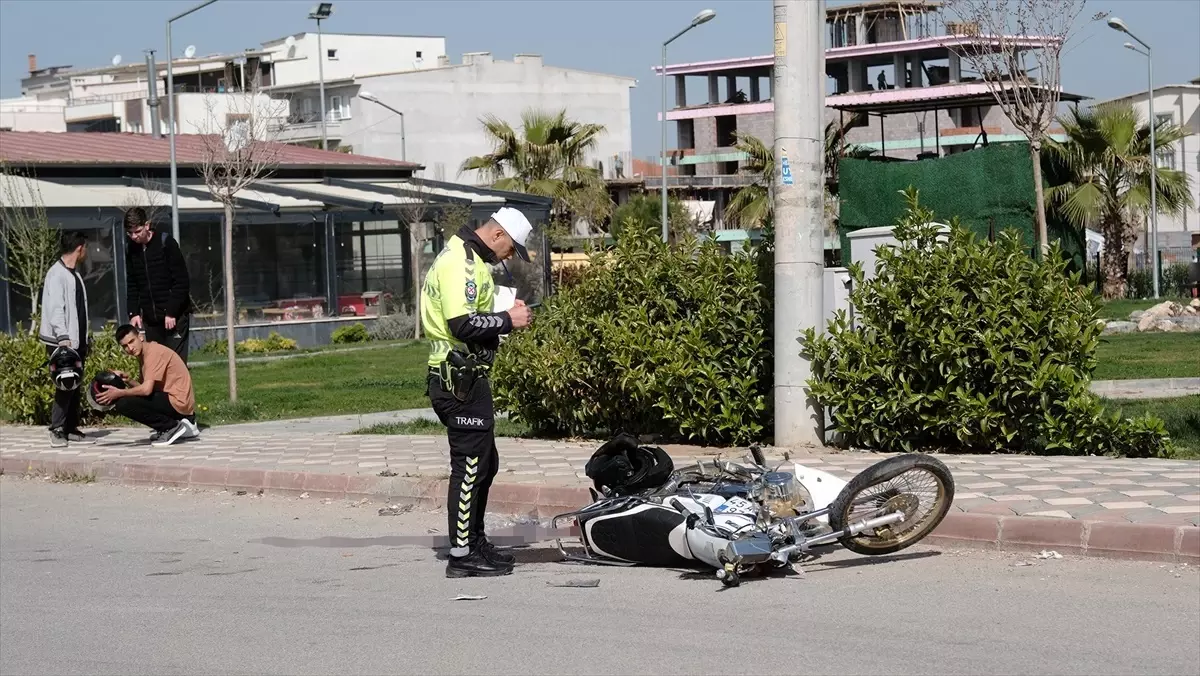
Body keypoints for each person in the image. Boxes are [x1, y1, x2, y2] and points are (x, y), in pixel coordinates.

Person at [422, 207, 535, 578]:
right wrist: (507, 320)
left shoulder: (467, 257)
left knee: (485, 463)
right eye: (510, 250)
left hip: (466, 377)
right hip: (457, 380)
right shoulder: (463, 263)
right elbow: (461, 323)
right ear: (499, 235)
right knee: (470, 467)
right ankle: (461, 554)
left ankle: (475, 542)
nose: (508, 259)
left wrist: (503, 310)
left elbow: (473, 312)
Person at [95, 324, 200, 447]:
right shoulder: (145, 354)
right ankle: (176, 425)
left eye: (131, 341)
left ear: (140, 337)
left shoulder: (153, 353)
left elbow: (146, 391)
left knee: (123, 403)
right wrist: (128, 380)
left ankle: (171, 427)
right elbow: (145, 388)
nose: (130, 348)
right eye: (125, 346)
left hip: (178, 402)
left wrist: (119, 392)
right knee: (127, 399)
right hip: (174, 400)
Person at [38, 231, 91, 448]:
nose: (86, 251)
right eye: (85, 248)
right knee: (65, 383)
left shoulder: (74, 275)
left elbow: (78, 310)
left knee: (75, 383)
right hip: (61, 341)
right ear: (79, 248)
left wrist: (84, 339)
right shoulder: (56, 274)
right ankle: (56, 429)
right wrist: (63, 337)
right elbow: (55, 309)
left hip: (76, 341)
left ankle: (70, 427)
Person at [123, 207, 194, 363]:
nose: (134, 236)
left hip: (174, 318)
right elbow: (133, 282)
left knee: (175, 364)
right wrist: (133, 312)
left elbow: (181, 281)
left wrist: (171, 311)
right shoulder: (131, 249)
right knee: (157, 365)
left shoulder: (166, 243)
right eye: (130, 233)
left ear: (147, 225)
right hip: (151, 319)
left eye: (138, 231)